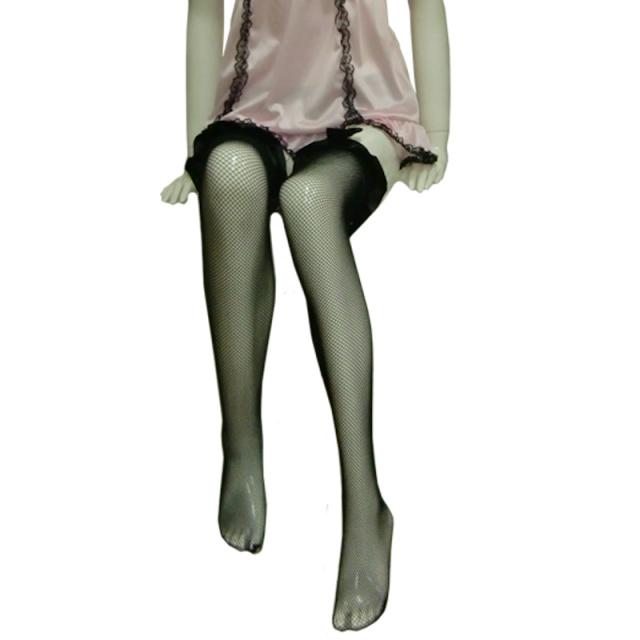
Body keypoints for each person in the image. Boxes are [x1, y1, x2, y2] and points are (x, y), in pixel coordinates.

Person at [160, 0, 450, 631]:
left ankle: (364, 503)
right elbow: (204, 12)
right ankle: (241, 442)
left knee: (308, 201)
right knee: (229, 175)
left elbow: (426, 5)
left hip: (362, 111)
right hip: (254, 105)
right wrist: (195, 151)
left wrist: (438, 132)